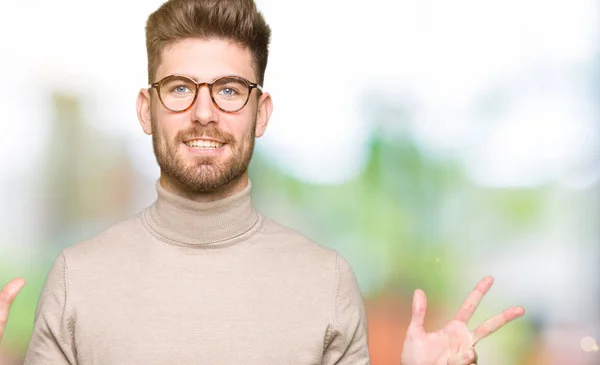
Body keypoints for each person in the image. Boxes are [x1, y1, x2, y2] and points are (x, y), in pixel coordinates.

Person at [0, 0, 525, 364]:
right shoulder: (77, 278)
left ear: (261, 112)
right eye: (180, 87)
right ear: (146, 109)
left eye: (229, 90)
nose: (204, 112)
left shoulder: (327, 282)